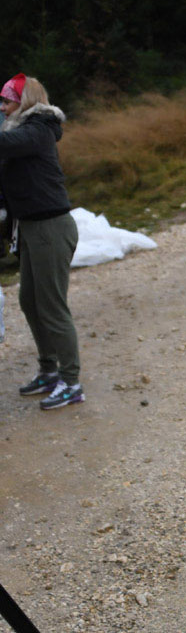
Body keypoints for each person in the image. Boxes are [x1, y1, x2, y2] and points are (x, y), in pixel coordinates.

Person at [0, 73, 84, 409]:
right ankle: (49, 371)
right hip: (31, 228)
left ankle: (72, 381)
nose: (2, 107)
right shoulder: (17, 132)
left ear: (24, 102)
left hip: (51, 228)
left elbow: (8, 145)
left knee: (52, 308)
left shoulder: (39, 129)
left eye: (6, 101)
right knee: (29, 301)